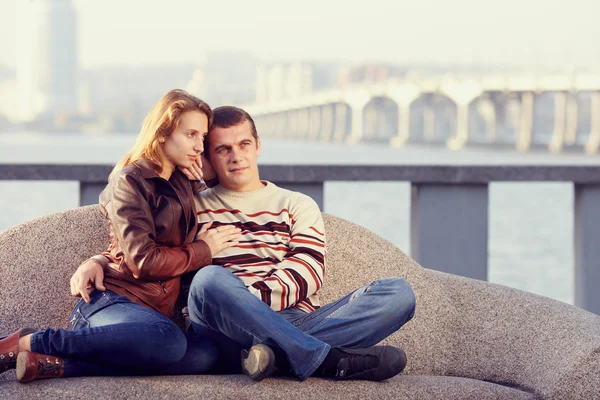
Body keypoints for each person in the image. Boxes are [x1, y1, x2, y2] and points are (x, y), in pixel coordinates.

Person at [76, 105, 417, 383]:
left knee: (397, 293)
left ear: (258, 145)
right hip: (220, 327)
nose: (236, 156)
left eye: (243, 145)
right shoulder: (192, 204)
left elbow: (308, 271)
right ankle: (321, 356)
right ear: (206, 157)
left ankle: (273, 355)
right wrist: (99, 261)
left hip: (293, 316)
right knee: (210, 282)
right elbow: (151, 247)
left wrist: (254, 308)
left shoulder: (296, 204)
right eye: (222, 149)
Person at [0, 89, 242, 383]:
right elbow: (143, 261)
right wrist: (203, 249)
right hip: (110, 304)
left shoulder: (181, 179)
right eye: (190, 134)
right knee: (169, 340)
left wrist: (100, 256)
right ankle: (31, 341)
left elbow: (231, 167)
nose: (199, 146)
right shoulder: (130, 180)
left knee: (206, 354)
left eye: (202, 137)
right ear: (163, 133)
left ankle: (59, 365)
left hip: (149, 319)